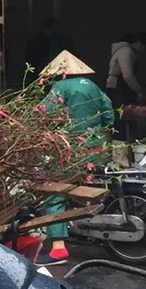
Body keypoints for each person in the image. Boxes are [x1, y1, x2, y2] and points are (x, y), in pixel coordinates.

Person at [36, 50, 115, 266]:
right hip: (96, 149)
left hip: (70, 150)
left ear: (60, 73)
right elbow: (109, 115)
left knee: (54, 192)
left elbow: (43, 113)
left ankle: (58, 248)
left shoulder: (61, 88)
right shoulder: (94, 87)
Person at [106, 31, 146, 107]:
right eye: (143, 46)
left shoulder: (125, 51)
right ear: (138, 43)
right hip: (118, 87)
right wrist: (138, 90)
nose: (142, 49)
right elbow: (127, 75)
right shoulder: (126, 52)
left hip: (119, 86)